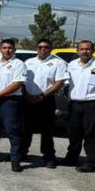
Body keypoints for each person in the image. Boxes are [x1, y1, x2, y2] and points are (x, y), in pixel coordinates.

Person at [61, 40, 95, 173]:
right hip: (75, 103)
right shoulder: (72, 65)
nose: (84, 51)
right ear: (77, 51)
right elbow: (67, 83)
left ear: (93, 50)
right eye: (81, 49)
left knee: (91, 134)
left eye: (87, 49)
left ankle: (91, 162)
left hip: (93, 104)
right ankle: (71, 158)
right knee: (74, 133)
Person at [22, 38, 69, 168]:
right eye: (41, 47)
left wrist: (42, 95)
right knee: (25, 129)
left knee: (47, 131)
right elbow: (22, 81)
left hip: (46, 100)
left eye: (46, 47)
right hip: (28, 99)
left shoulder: (58, 63)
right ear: (37, 48)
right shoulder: (28, 62)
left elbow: (59, 83)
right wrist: (26, 95)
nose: (43, 49)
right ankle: (22, 153)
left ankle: (49, 157)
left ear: (51, 48)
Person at [0, 38, 28, 172]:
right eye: (4, 48)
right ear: (0, 49)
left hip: (10, 101)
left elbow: (17, 84)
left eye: (10, 48)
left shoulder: (19, 64)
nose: (7, 50)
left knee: (12, 131)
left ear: (14, 50)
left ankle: (15, 160)